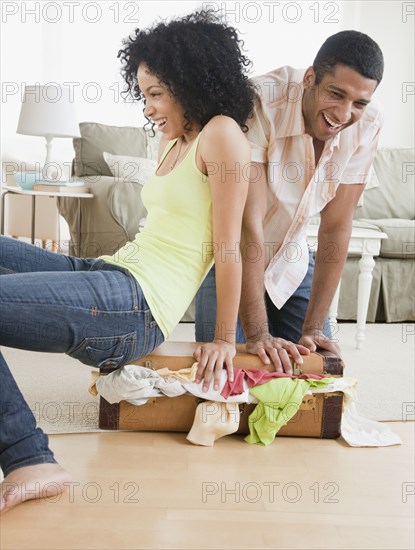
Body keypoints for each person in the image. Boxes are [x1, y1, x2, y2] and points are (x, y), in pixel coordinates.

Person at [0, 10, 255, 513]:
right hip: (111, 273)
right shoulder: (172, 140)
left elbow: (230, 246)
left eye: (157, 93)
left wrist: (225, 338)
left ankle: (28, 458)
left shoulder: (222, 134)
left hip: (135, 307)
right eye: (145, 94)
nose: (149, 107)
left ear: (192, 80)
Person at [195, 30, 384, 372]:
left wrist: (313, 327)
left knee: (319, 370)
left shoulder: (367, 125)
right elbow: (245, 225)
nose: (343, 114)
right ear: (310, 78)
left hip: (292, 259)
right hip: (227, 257)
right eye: (335, 94)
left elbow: (336, 226)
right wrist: (258, 334)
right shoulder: (261, 100)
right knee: (228, 374)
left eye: (358, 103)